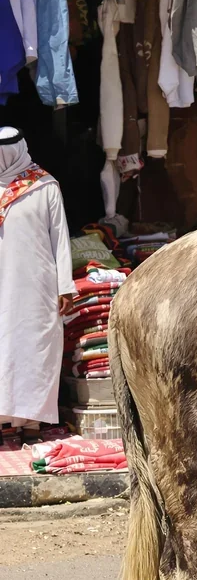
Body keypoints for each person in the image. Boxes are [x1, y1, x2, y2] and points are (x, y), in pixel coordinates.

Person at [0, 127, 76, 437]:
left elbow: (60, 238)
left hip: (37, 286)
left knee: (34, 348)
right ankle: (5, 419)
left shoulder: (44, 186)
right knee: (5, 349)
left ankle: (31, 422)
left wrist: (65, 285)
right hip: (3, 286)